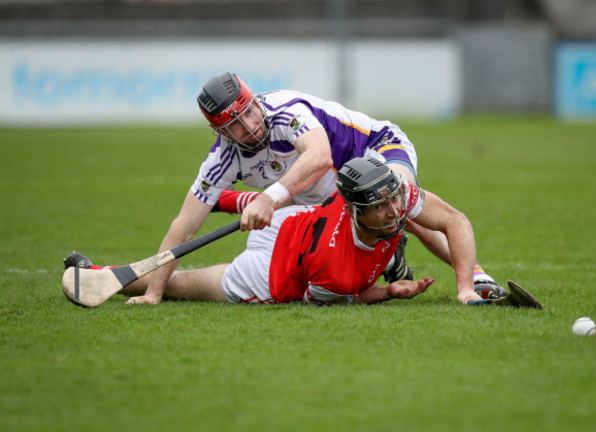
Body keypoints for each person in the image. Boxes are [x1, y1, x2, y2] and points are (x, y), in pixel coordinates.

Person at [192, 72, 505, 297]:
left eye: (247, 115)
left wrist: (269, 198)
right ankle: (390, 255)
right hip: (339, 180)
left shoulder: (285, 112)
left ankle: (476, 278)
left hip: (377, 146)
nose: (247, 126)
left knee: (398, 207)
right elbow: (185, 222)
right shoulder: (227, 154)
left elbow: (319, 158)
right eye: (234, 124)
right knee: (318, 211)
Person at [66, 157, 482, 305]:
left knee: (238, 207)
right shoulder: (340, 273)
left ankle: (97, 270)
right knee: (178, 286)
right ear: (355, 209)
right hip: (269, 274)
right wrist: (387, 292)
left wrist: (466, 285)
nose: (395, 210)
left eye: (395, 201)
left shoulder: (395, 193)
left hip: (291, 229)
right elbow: (350, 297)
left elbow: (455, 221)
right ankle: (111, 279)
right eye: (381, 207)